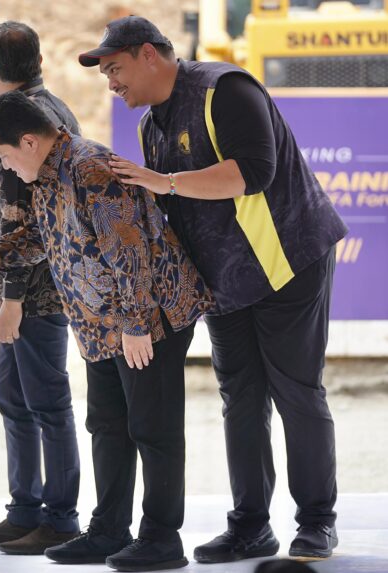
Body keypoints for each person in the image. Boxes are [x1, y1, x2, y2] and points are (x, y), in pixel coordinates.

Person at [79, 15, 348, 563]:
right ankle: (251, 525)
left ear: (149, 54)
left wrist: (165, 182)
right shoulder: (152, 124)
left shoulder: (225, 89)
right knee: (240, 401)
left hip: (287, 262)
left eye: (114, 68)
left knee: (295, 391)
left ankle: (317, 520)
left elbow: (255, 172)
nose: (110, 81)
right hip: (224, 281)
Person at [0, 91, 214, 572]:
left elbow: (129, 250)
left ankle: (161, 538)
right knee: (108, 426)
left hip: (148, 320)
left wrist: (138, 325)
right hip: (102, 326)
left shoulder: (90, 167)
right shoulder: (50, 173)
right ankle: (109, 530)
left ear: (29, 141)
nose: (6, 167)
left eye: (6, 154)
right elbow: (39, 236)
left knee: (152, 430)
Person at [0, 21, 82, 556]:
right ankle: (26, 511)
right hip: (32, 289)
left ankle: (58, 518)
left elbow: (20, 223)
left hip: (34, 294)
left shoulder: (20, 122)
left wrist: (10, 301)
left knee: (47, 404)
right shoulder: (54, 109)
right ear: (38, 59)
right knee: (14, 398)